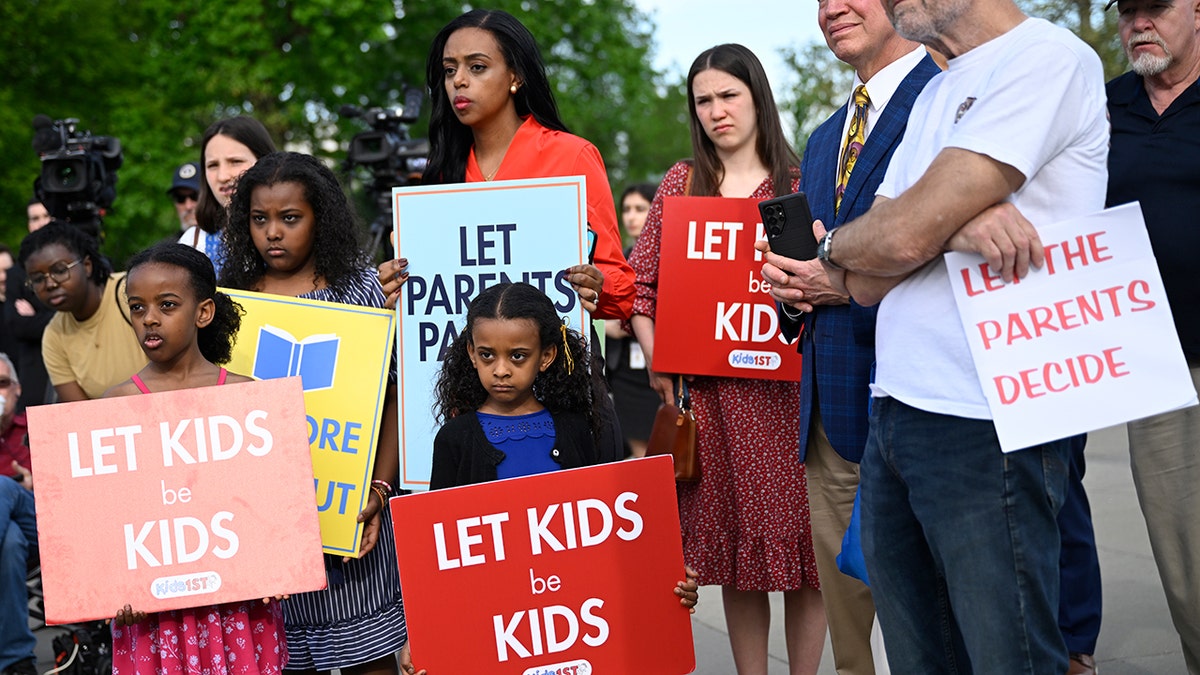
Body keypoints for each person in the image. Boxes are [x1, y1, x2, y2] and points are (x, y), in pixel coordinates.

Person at [808, 0, 1108, 668]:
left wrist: (893, 231)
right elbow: (865, 280)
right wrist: (953, 220)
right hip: (897, 410)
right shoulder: (939, 89)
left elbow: (901, 234)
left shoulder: (1047, 59)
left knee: (1008, 655)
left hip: (987, 417)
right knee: (920, 658)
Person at [627, 44, 825, 675]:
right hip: (713, 401)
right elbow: (641, 286)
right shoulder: (682, 184)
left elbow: (822, 282)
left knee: (804, 559)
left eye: (728, 95)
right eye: (703, 100)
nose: (716, 111)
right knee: (739, 557)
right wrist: (659, 358)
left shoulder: (800, 182)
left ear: (756, 97)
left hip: (788, 398)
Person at [757, 1, 938, 671]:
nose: (832, 7)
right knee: (853, 644)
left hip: (924, 405)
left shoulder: (949, 97)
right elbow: (817, 263)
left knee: (933, 625)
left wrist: (845, 285)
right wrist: (794, 294)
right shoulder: (827, 134)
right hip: (830, 416)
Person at [409, 281, 698, 674]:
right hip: (495, 630)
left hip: (577, 629)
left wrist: (666, 575)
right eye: (487, 355)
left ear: (545, 356)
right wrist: (427, 633)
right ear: (470, 355)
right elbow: (436, 550)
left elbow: (614, 538)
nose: (501, 369)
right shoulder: (455, 439)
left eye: (518, 356)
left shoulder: (578, 429)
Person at [221, 151, 407, 675]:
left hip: (353, 514)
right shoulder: (229, 303)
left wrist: (377, 490)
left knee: (371, 661)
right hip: (268, 526)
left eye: (290, 218)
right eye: (260, 220)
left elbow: (392, 398)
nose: (273, 233)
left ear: (319, 218)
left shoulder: (361, 290)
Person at [377, 8, 634, 321]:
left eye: (477, 67)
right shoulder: (441, 170)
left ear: (516, 76)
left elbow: (622, 293)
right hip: (464, 363)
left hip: (557, 361)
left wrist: (596, 285)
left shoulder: (572, 156)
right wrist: (398, 284)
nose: (458, 80)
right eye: (449, 70)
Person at [103, 243, 286, 674]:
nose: (149, 318)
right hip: (153, 617)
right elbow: (107, 518)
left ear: (203, 312)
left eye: (167, 305)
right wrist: (112, 587)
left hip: (238, 608)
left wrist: (280, 566)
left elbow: (270, 505)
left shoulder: (247, 398)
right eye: (137, 307)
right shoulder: (112, 407)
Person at [1106, 0, 1200, 669]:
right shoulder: (1100, 107)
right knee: (1183, 547)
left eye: (1155, 7)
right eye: (1127, 9)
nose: (1139, 21)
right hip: (1156, 362)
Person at [17, 223, 147, 402]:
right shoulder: (54, 336)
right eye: (38, 279)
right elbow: (82, 417)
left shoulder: (131, 291)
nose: (50, 284)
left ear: (86, 266)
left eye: (60, 270)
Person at [182, 117, 277, 279]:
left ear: (265, 162)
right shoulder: (195, 242)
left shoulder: (298, 236)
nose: (223, 176)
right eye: (213, 165)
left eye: (235, 161)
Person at [604, 184, 660, 457]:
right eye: (626, 209)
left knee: (667, 448)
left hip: (660, 367)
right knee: (639, 453)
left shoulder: (670, 257)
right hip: (625, 372)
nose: (631, 217)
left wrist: (629, 322)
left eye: (640, 209)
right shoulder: (619, 260)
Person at [0, 352, 36, 675]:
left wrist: (37, 483)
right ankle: (17, 661)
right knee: (9, 542)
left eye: (2, 384)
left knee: (3, 488)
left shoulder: (40, 428)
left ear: (17, 388)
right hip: (11, 536)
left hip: (41, 522)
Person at [168, 161, 201, 231]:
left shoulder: (227, 240)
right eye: (180, 198)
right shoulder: (167, 242)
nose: (188, 206)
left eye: (195, 196)